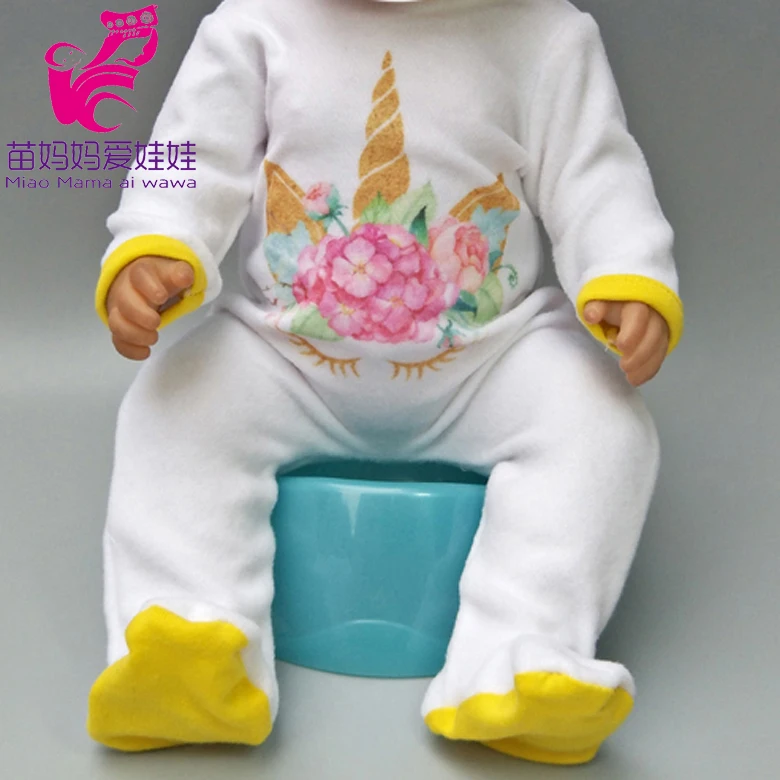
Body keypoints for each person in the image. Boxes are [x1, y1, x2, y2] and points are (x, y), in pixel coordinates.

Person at [86, 0, 683, 765]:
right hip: (284, 356)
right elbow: (189, 153)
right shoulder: (256, 23)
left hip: (490, 362)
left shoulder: (548, 34)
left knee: (602, 421)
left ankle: (520, 655)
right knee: (177, 400)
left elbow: (595, 175)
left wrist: (626, 273)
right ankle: (189, 639)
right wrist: (156, 244)